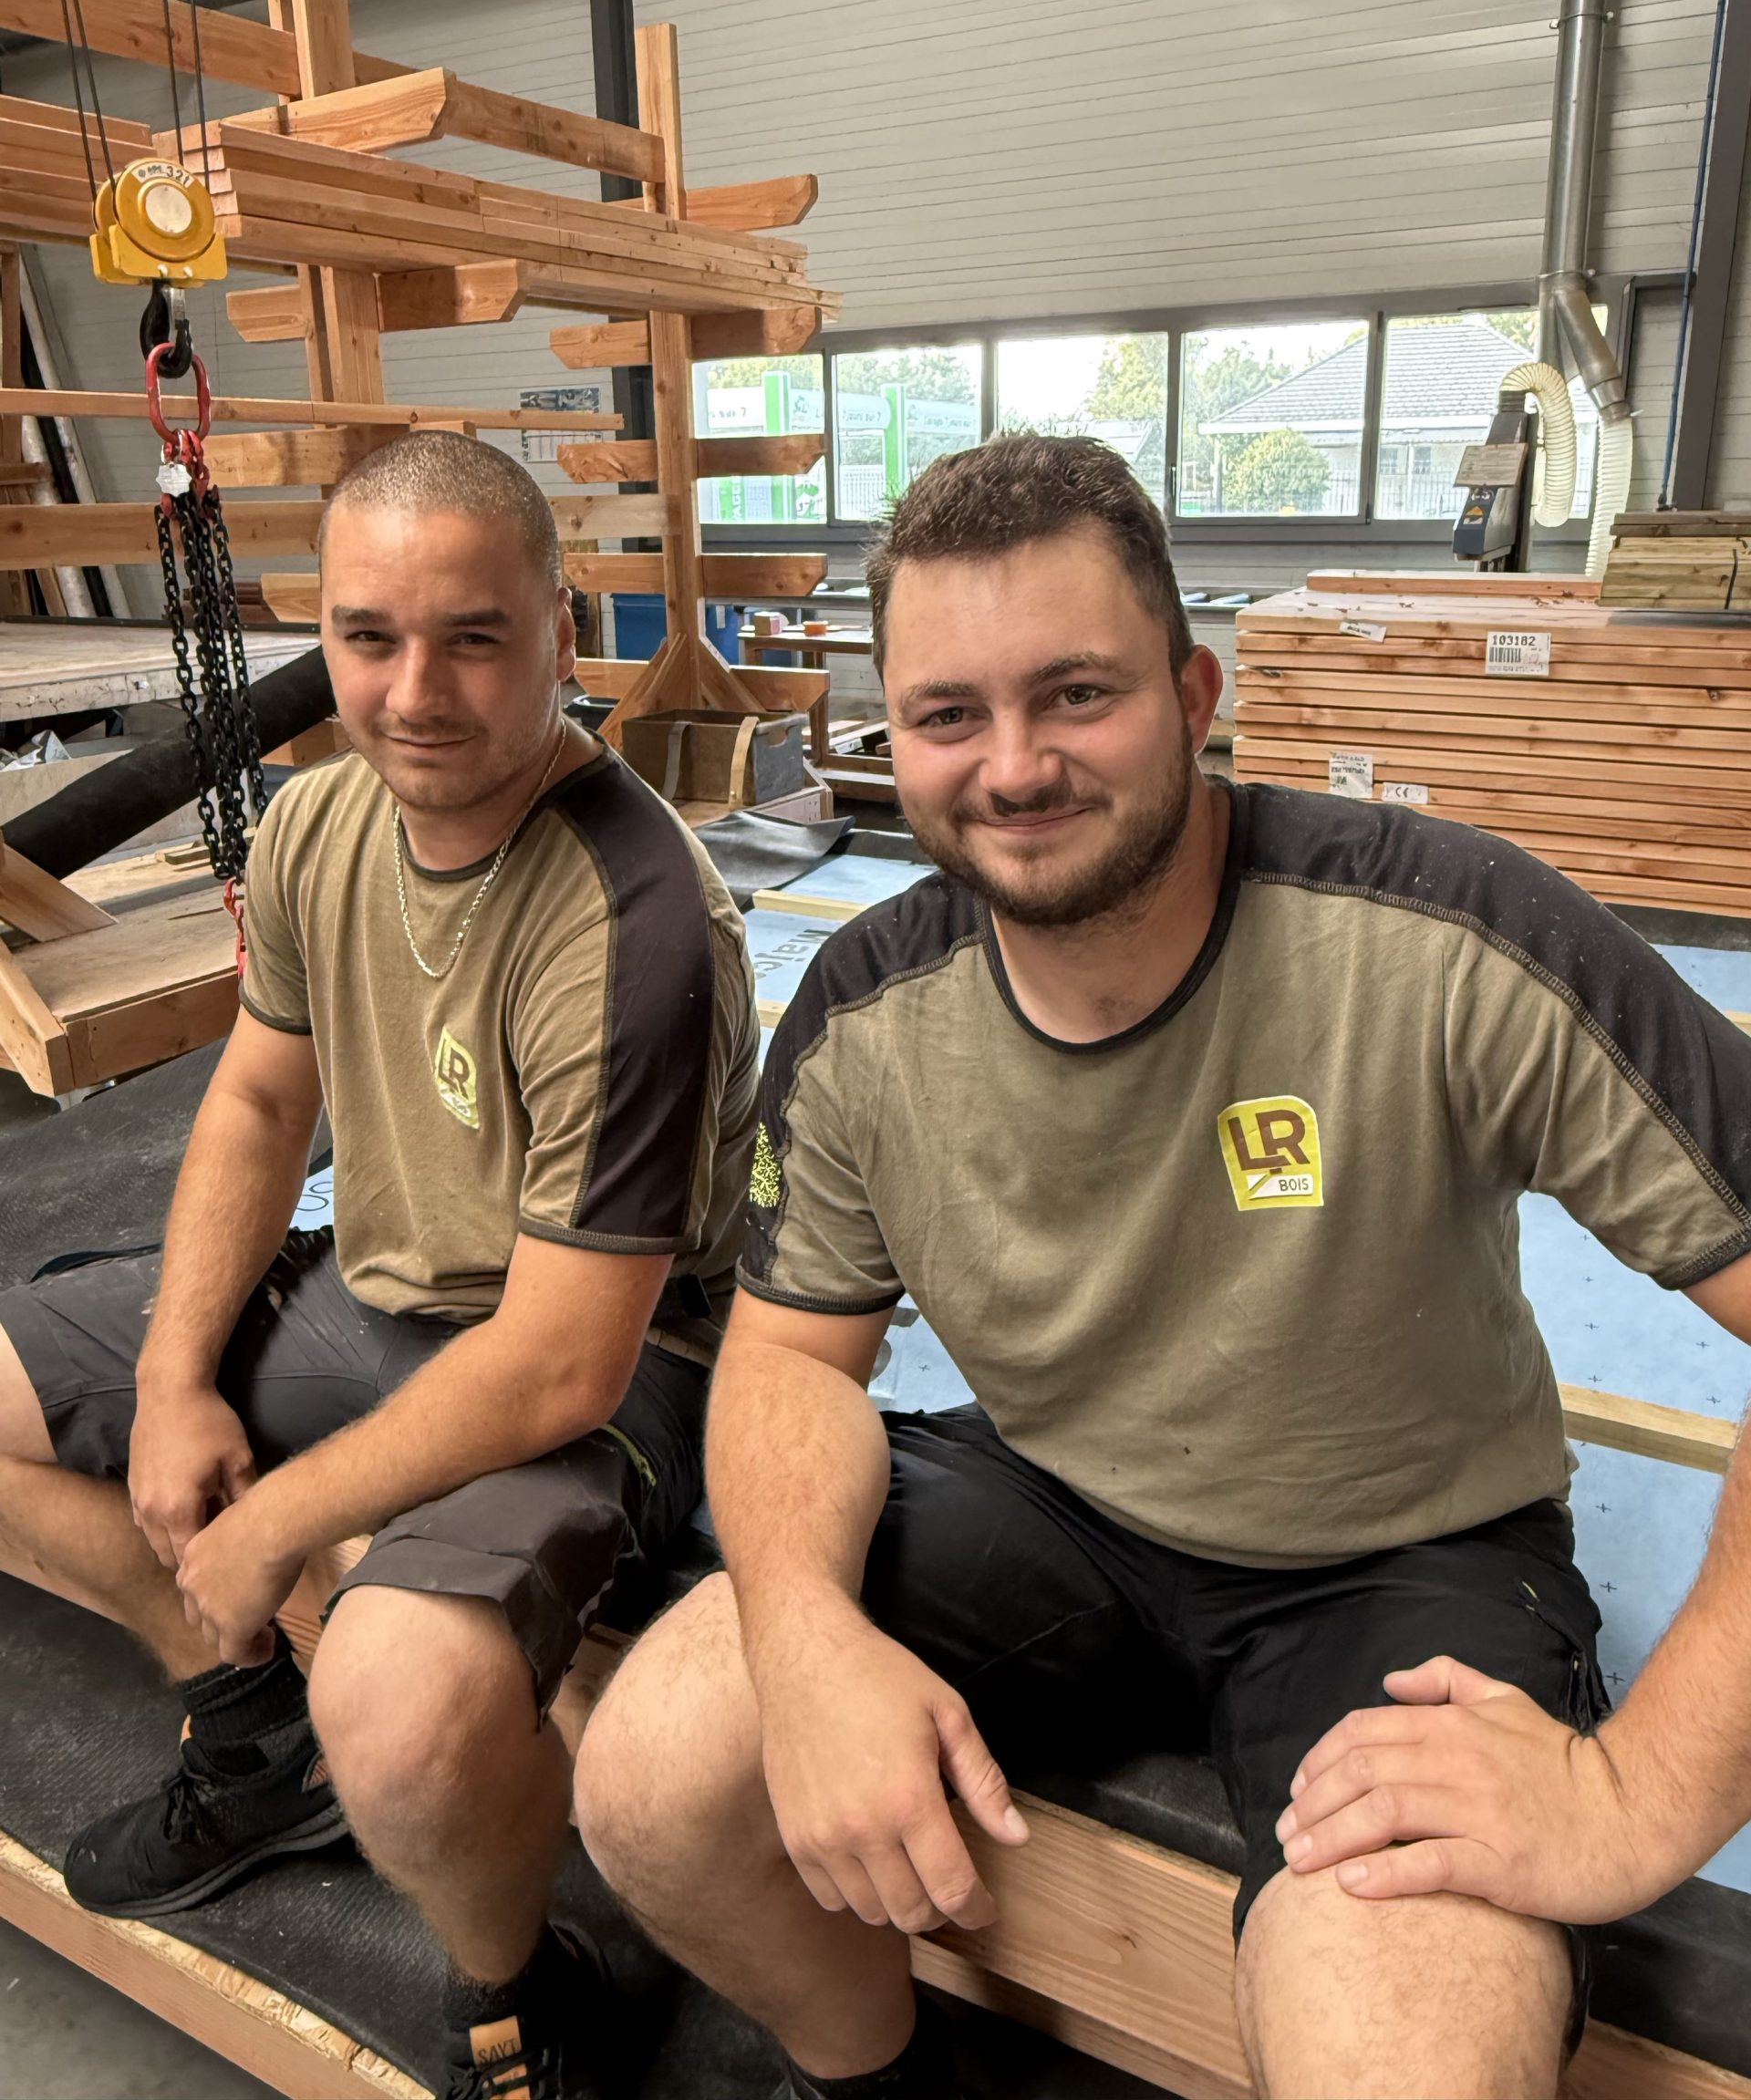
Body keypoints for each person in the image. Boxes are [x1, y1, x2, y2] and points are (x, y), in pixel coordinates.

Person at [573, 430, 1751, 2100]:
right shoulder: (866, 1010)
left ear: (1197, 696)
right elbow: (784, 1355)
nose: (1014, 768)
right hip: (1054, 1496)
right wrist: (802, 1633)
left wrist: (1641, 1795)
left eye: (1078, 695)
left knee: (1408, 2063)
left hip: (1397, 1553)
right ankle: (885, 2077)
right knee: (649, 1781)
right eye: (948, 715)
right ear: (887, 733)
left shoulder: (1446, 939)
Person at [0, 430, 760, 2100]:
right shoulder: (319, 824)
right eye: (369, 638)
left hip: (615, 1359)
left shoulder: (635, 913)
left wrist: (273, 1519)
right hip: (384, 1291)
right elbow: (262, 1102)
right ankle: (251, 1738)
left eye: (475, 639)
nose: (415, 693)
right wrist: (176, 1377)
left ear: (564, 632)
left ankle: (514, 1988)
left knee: (403, 1711)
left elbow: (563, 1359)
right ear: (321, 632)